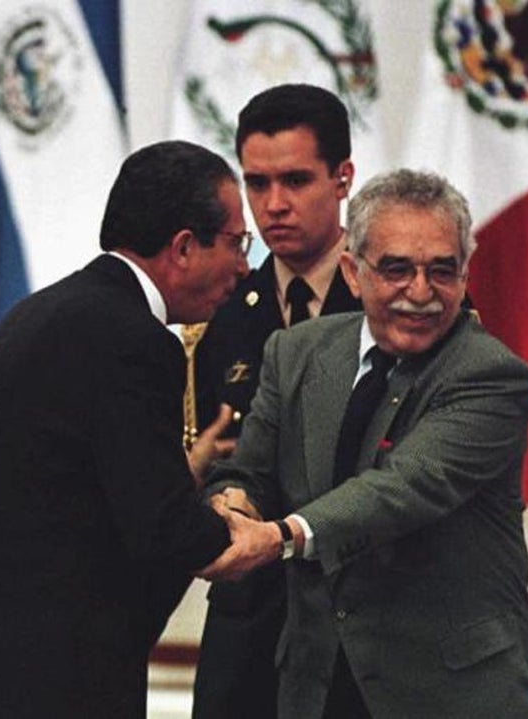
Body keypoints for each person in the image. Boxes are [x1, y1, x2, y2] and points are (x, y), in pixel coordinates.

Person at [0, 140, 257, 718]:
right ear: (184, 247)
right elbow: (164, 530)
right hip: (52, 683)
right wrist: (265, 532)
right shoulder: (135, 342)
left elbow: (77, 489)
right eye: (238, 243)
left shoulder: (40, 312)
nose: (244, 265)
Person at [199, 169, 528, 717]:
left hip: (449, 693)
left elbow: (400, 489)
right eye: (397, 270)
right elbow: (249, 469)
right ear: (353, 273)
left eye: (442, 271)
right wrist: (233, 505)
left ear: (464, 274)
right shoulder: (295, 352)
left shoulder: (492, 375)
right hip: (318, 687)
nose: (421, 293)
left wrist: (278, 536)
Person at [190, 83, 361, 719]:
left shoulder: (393, 306)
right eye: (257, 184)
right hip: (249, 628)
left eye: (295, 180)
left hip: (360, 625)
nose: (274, 205)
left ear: (343, 178)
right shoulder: (226, 313)